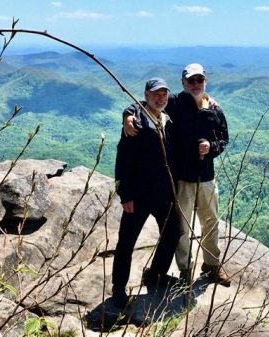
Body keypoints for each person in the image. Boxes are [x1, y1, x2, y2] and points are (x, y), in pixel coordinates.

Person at [124, 64, 230, 287]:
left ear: (205, 82)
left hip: (207, 176)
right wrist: (128, 115)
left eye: (199, 80)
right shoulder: (173, 102)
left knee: (211, 221)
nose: (195, 84)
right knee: (182, 227)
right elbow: (147, 104)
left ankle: (212, 264)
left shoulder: (215, 110)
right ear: (183, 83)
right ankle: (186, 268)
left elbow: (223, 140)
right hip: (182, 177)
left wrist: (211, 147)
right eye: (190, 81)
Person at [112, 77, 182, 309]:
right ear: (146, 95)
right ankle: (118, 288)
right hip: (139, 196)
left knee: (173, 232)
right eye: (155, 94)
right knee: (127, 242)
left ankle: (156, 274)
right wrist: (125, 196)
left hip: (164, 194)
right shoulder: (136, 125)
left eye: (164, 94)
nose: (161, 98)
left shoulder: (167, 121)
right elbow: (123, 161)